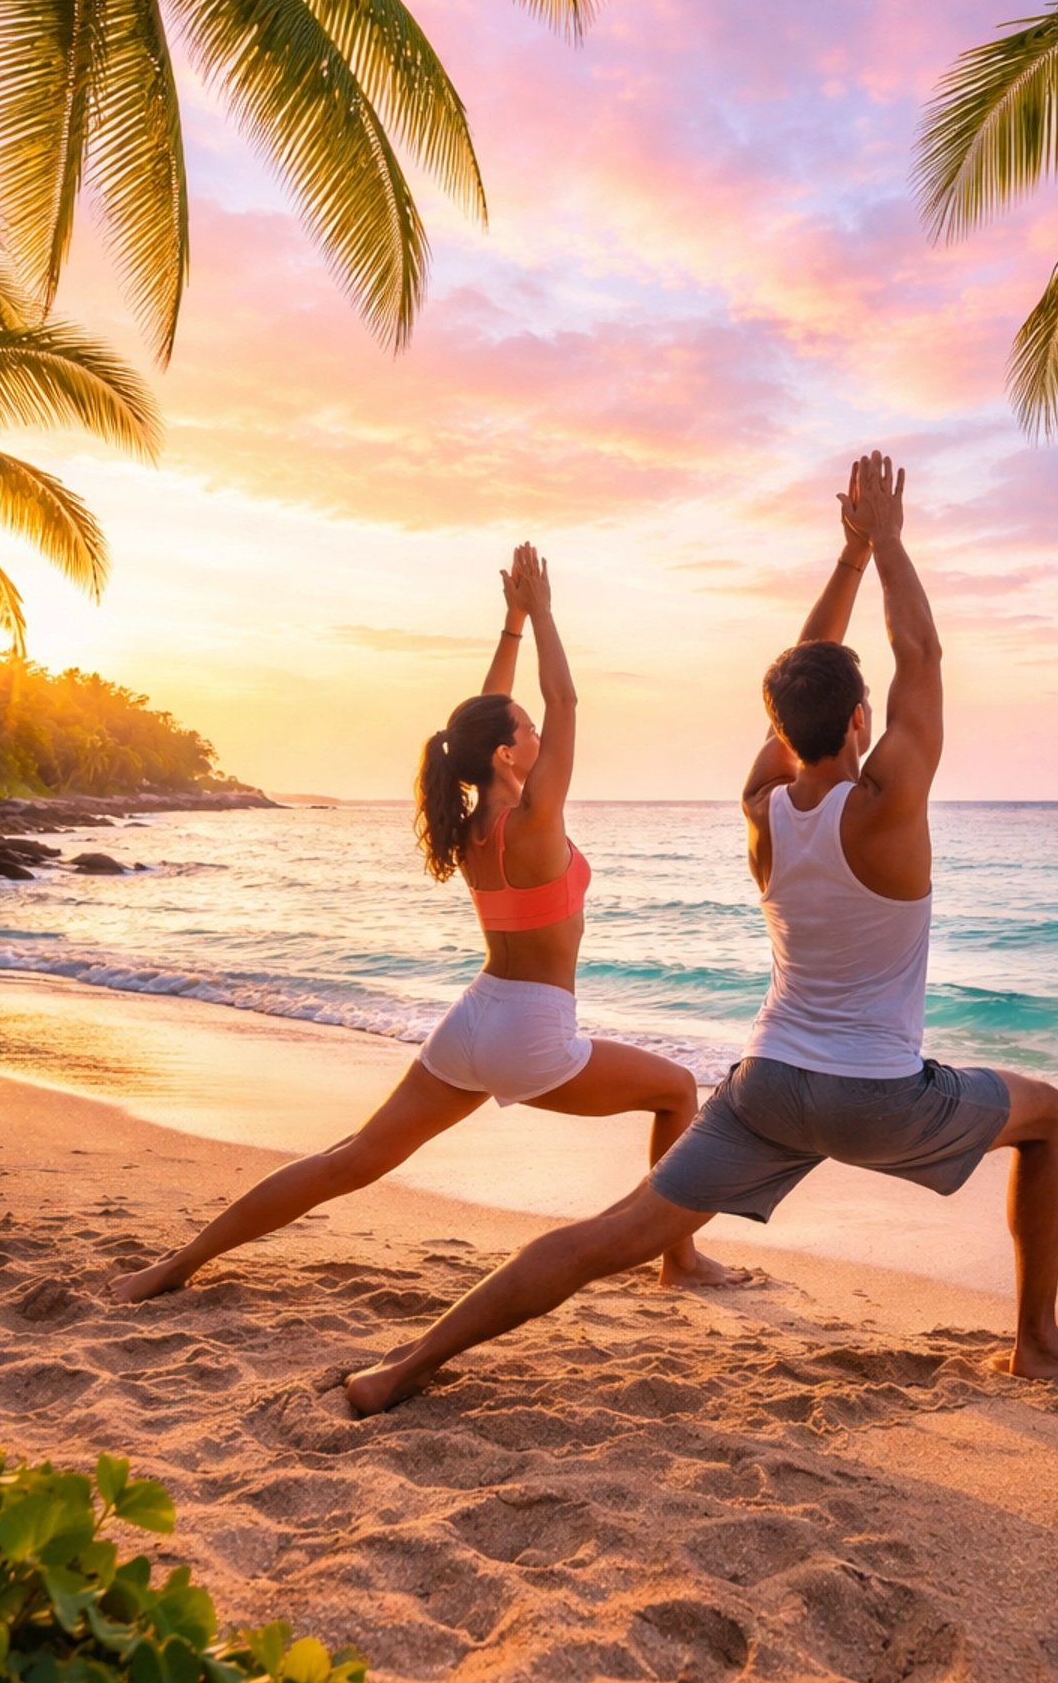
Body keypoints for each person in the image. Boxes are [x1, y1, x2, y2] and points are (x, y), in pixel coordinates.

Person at [345, 452, 1058, 1414]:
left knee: (606, 1237)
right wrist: (889, 544)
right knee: (1045, 1118)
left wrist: (850, 558)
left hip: (766, 1089)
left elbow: (809, 692)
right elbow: (924, 658)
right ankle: (1037, 1341)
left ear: (784, 729)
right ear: (862, 719)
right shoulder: (888, 804)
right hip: (876, 1097)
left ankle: (399, 1370)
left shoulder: (763, 806)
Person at [111, 543, 742, 1303]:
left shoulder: (475, 824)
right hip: (531, 1034)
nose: (545, 734)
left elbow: (477, 724)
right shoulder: (535, 824)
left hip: (474, 1021)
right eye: (529, 731)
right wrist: (543, 612)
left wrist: (510, 625)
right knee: (678, 1091)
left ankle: (172, 1267)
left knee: (349, 1159)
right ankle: (679, 1259)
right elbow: (567, 705)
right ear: (510, 756)